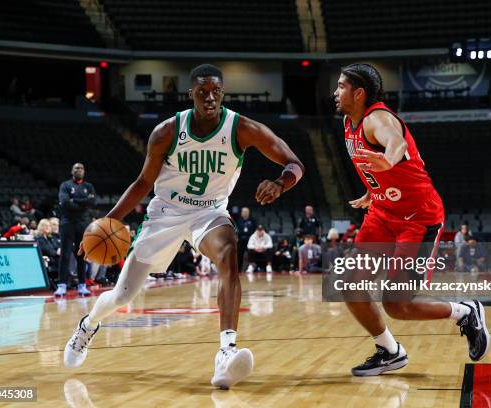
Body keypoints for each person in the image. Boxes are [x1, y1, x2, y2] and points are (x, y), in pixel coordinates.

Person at [63, 64, 304, 390]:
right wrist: (109, 220)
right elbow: (142, 182)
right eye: (202, 92)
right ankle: (88, 324)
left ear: (223, 94)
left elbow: (295, 164)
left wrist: (280, 183)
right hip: (166, 212)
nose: (209, 98)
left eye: (215, 92)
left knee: (229, 252)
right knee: (123, 293)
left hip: (210, 213)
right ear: (190, 94)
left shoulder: (242, 128)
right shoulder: (166, 132)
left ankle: (226, 352)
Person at [333, 63, 489, 376]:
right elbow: (372, 164)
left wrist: (387, 161)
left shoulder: (378, 118)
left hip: (417, 219)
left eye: (341, 86)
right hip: (382, 213)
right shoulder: (349, 123)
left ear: (359, 93)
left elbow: (396, 144)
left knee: (397, 304)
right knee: (351, 285)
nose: (335, 92)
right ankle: (390, 351)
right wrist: (371, 189)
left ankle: (465, 312)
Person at [55, 163, 96, 297]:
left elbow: (93, 202)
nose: (79, 170)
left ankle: (82, 285)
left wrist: (75, 201)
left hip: (83, 224)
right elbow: (65, 202)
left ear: (84, 171)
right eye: (76, 168)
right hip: (67, 223)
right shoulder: (65, 185)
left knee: (81, 255)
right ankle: (62, 285)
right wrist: (83, 203)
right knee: (65, 254)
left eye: (81, 168)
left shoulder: (88, 186)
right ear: (72, 171)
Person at [35, 219, 60, 283]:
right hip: (46, 260)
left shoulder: (49, 237)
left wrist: (58, 250)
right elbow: (48, 250)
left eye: (48, 226)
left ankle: (68, 279)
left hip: (53, 258)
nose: (47, 227)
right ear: (41, 227)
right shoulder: (39, 238)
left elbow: (55, 247)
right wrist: (56, 252)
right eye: (45, 226)